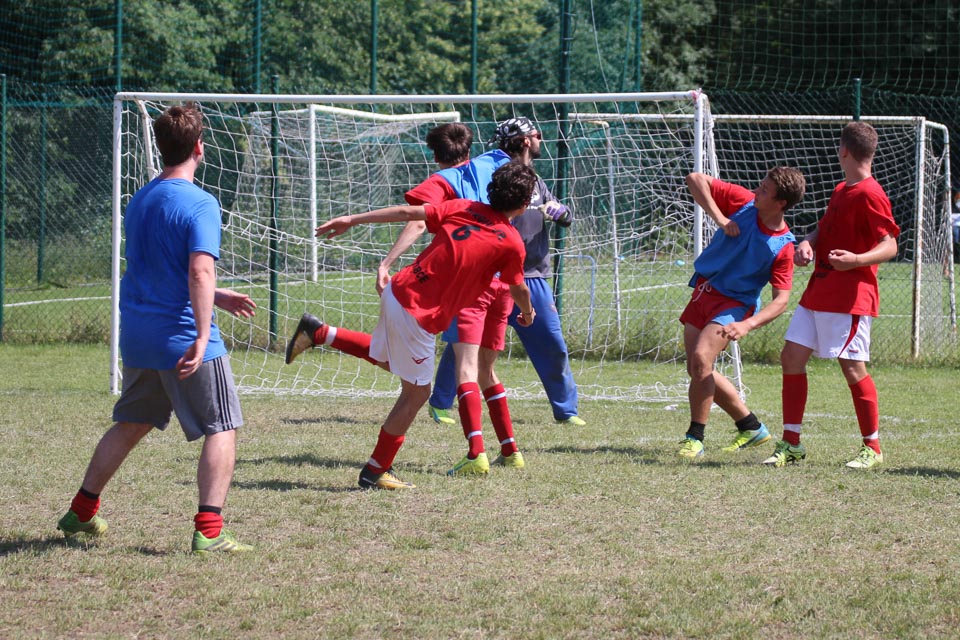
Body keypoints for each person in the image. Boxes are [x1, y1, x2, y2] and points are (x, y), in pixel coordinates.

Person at [56, 104, 254, 554]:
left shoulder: (141, 198)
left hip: (139, 335)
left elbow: (162, 269)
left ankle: (82, 511)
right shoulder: (201, 202)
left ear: (162, 147)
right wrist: (202, 335)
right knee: (222, 426)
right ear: (200, 147)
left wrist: (218, 296)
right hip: (182, 336)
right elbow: (199, 270)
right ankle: (210, 531)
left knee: (131, 422)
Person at [285, 161, 537, 490]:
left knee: (391, 360)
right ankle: (375, 471)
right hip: (417, 313)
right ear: (524, 204)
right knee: (417, 392)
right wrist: (527, 313)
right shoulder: (511, 241)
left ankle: (320, 332)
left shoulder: (465, 206)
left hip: (398, 290)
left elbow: (408, 213)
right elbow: (518, 288)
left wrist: (352, 219)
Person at [380, 117, 584, 428]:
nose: (541, 139)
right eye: (538, 134)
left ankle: (566, 410)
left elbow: (564, 215)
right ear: (525, 140)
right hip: (488, 278)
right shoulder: (493, 178)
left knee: (552, 344)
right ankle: (441, 404)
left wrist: (562, 212)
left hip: (531, 277)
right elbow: (426, 216)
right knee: (465, 346)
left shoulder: (535, 182)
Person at [763, 121, 900, 470]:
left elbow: (890, 245)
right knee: (791, 358)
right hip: (818, 292)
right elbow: (824, 229)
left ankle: (872, 448)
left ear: (844, 151)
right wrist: (808, 242)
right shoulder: (842, 189)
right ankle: (791, 443)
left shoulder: (870, 193)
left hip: (849, 298)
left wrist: (856, 260)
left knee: (852, 368)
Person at [677, 167, 807, 460]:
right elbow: (695, 179)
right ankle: (750, 426)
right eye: (760, 186)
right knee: (698, 369)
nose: (757, 191)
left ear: (781, 203)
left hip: (733, 305)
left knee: (701, 359)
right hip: (704, 291)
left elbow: (781, 301)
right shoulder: (744, 203)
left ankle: (695, 437)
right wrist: (721, 219)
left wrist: (748, 324)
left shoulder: (782, 246)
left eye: (765, 190)